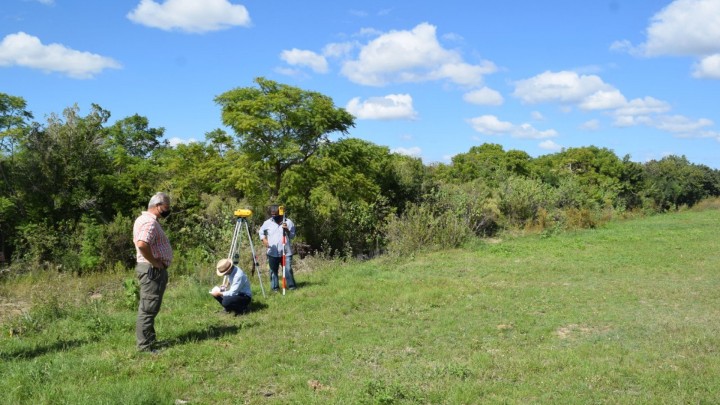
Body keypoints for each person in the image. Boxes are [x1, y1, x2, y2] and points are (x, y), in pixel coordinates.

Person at [133, 192, 173, 353]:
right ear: (158, 206)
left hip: (152, 269)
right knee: (148, 307)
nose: (168, 210)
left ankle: (150, 340)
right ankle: (144, 346)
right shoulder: (149, 222)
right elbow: (142, 244)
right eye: (166, 207)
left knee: (151, 306)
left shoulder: (144, 220)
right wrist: (154, 261)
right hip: (152, 269)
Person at [259, 205, 296, 291]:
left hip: (286, 251)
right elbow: (261, 232)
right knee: (273, 271)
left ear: (280, 213)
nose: (273, 216)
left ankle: (291, 287)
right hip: (272, 252)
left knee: (287, 269)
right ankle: (275, 288)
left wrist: (287, 230)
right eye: (272, 214)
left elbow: (292, 236)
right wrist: (264, 239)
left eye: (275, 214)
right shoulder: (267, 223)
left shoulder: (288, 222)